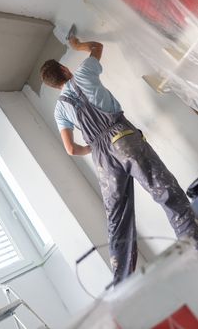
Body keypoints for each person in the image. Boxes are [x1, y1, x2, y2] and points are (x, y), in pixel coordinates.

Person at [40, 36, 198, 285]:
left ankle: (121, 282)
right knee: (164, 190)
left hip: (102, 158)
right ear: (63, 70)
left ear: (52, 85)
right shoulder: (83, 73)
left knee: (118, 218)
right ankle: (193, 245)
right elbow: (97, 47)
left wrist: (94, 148)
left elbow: (70, 149)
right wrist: (77, 45)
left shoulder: (59, 110)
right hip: (121, 138)